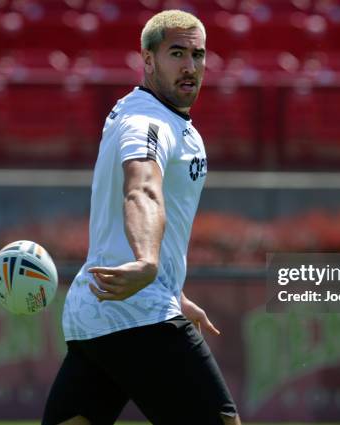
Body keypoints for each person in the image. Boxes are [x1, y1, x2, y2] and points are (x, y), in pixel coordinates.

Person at [42, 9, 241, 425]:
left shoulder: (161, 117)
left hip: (98, 312)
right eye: (176, 53)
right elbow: (142, 187)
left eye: (198, 54)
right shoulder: (146, 120)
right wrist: (148, 261)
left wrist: (175, 292)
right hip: (138, 312)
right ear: (148, 60)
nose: (190, 66)